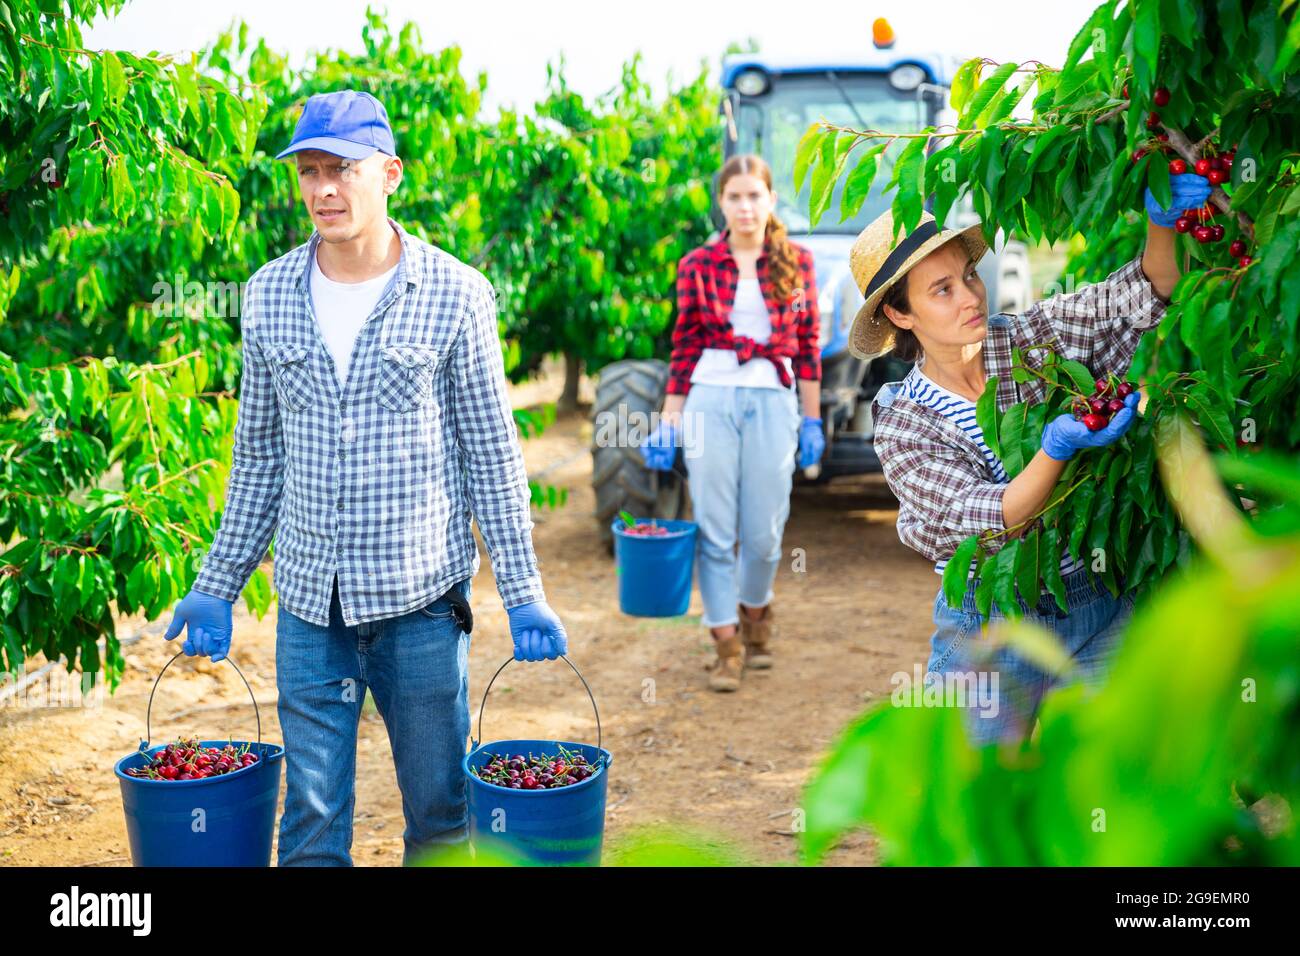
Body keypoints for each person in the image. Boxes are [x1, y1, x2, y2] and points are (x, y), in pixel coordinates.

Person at [162, 90, 569, 865]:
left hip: (421, 603)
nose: (324, 189)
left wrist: (523, 591)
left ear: (390, 174)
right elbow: (259, 459)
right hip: (310, 604)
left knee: (439, 813)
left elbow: (491, 455)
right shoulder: (268, 293)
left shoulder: (456, 293)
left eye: (343, 169)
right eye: (310, 172)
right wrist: (217, 584)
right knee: (311, 819)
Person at [849, 172, 1213, 745]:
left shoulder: (1029, 341)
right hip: (990, 617)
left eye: (969, 276)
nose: (971, 297)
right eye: (942, 290)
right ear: (900, 315)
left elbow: (1140, 295)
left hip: (1094, 597)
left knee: (1122, 769)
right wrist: (1055, 448)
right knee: (978, 784)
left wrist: (1161, 225)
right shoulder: (904, 423)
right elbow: (992, 519)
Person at [640, 154, 825, 691]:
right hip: (710, 398)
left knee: (764, 534)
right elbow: (684, 344)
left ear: (771, 200)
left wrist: (811, 420)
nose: (745, 207)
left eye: (754, 196)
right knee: (715, 529)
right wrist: (669, 421)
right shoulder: (697, 264)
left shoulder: (797, 262)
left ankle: (757, 614)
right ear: (721, 203)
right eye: (734, 197)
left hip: (772, 398)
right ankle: (725, 644)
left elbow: (808, 345)